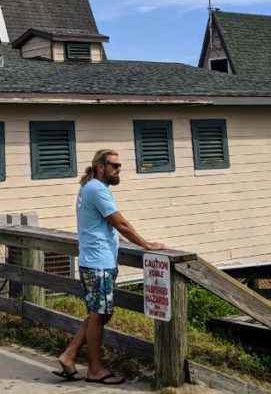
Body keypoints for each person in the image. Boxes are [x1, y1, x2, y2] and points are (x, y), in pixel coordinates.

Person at [55, 149, 166, 385]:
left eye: (119, 166)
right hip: (98, 264)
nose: (117, 169)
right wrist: (146, 244)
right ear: (99, 167)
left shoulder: (89, 188)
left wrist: (118, 240)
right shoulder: (97, 189)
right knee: (100, 314)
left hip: (95, 260)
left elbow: (103, 225)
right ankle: (94, 369)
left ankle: (69, 355)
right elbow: (120, 223)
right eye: (113, 165)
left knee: (99, 314)